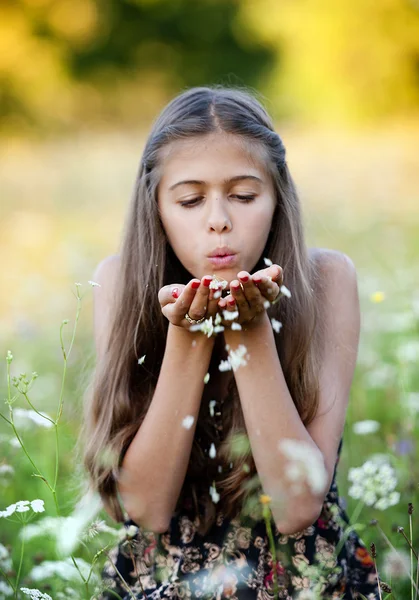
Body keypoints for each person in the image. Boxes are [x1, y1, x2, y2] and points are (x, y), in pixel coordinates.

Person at [81, 85, 380, 599]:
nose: (219, 219)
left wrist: (250, 331)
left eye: (243, 195)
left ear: (276, 197)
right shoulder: (120, 284)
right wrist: (188, 334)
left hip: (301, 575)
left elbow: (296, 508)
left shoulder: (325, 281)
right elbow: (147, 510)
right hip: (163, 579)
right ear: (156, 207)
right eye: (191, 200)